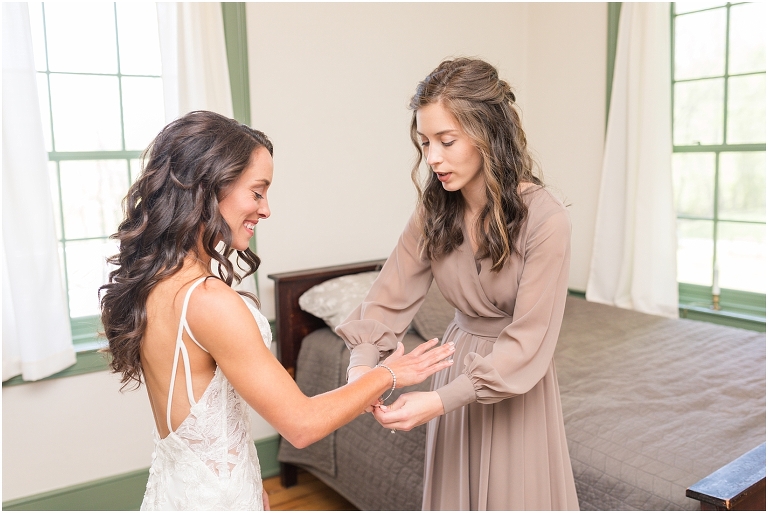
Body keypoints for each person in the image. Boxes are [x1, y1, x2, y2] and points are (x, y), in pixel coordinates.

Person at [99, 111, 455, 511]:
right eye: (257, 191)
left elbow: (200, 414)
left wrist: (245, 480)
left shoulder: (156, 282)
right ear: (210, 187)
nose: (266, 209)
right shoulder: (209, 300)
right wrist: (389, 373)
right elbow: (302, 424)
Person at [336, 58, 579, 510]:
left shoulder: (546, 219)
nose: (432, 158)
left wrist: (440, 400)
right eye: (424, 142)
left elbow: (528, 340)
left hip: (513, 381)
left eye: (447, 141)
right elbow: (386, 301)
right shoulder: (433, 213)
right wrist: (361, 374)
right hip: (454, 366)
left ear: (489, 135)